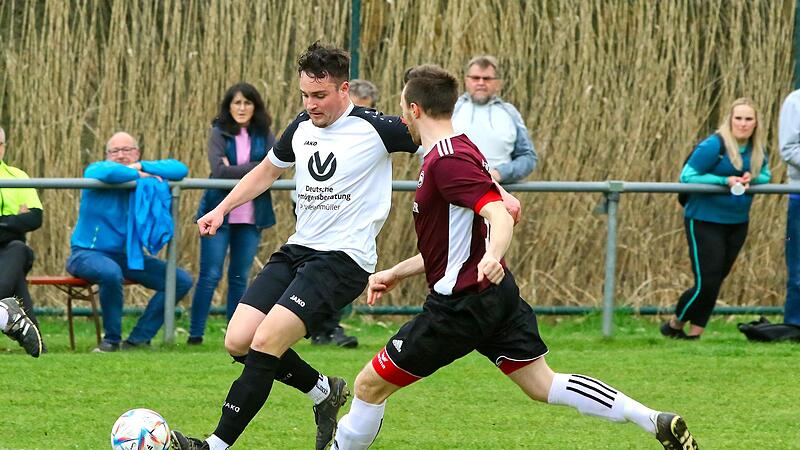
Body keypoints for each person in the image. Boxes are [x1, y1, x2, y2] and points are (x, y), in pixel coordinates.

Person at [331, 65, 698, 450]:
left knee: (368, 386)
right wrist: (397, 272)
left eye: (402, 108)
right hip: (494, 295)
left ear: (414, 109)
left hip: (459, 308)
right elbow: (463, 238)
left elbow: (500, 214)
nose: (401, 117)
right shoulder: (464, 148)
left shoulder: (446, 162)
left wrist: (493, 254)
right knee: (544, 384)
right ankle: (653, 419)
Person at [169, 42, 421, 450]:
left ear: (344, 89)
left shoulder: (376, 127)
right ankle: (323, 391)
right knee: (238, 340)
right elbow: (266, 172)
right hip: (298, 249)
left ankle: (214, 444)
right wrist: (221, 208)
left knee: (266, 341)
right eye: (304, 95)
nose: (310, 104)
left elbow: (439, 141)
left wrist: (488, 188)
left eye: (319, 95)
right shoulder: (301, 126)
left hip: (343, 259)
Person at [65, 131, 193, 352]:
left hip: (127, 257)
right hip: (86, 254)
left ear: (137, 153)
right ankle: (111, 340)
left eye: (127, 150)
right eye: (115, 151)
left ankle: (138, 339)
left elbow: (180, 169)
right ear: (107, 155)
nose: (121, 155)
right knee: (110, 272)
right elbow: (108, 172)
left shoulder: (140, 173)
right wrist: (139, 174)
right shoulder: (97, 171)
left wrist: (141, 167)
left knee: (180, 280)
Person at [662, 97, 771, 340]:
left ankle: (695, 334)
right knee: (706, 281)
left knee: (717, 279)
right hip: (704, 220)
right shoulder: (713, 145)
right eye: (738, 118)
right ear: (730, 120)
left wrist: (750, 178)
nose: (743, 124)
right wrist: (724, 181)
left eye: (748, 119)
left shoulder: (757, 149)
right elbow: (687, 176)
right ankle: (674, 325)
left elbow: (766, 174)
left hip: (737, 221)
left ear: (756, 123)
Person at [189, 83, 277, 345]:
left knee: (239, 278)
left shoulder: (264, 133)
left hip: (251, 217)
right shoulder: (219, 133)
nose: (241, 108)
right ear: (228, 106)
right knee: (210, 275)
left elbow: (275, 167)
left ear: (255, 106)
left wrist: (243, 169)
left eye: (247, 103)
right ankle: (195, 334)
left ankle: (234, 335)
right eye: (236, 103)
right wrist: (258, 168)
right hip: (219, 214)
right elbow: (219, 171)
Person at [310, 78, 382, 349]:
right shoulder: (320, 126)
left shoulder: (373, 133)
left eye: (368, 109)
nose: (361, 115)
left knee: (339, 268)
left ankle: (327, 327)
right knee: (320, 269)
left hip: (351, 210)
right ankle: (321, 327)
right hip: (319, 207)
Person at [451, 55, 537, 184]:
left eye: (487, 79)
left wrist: (500, 173)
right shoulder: (450, 110)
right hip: (454, 192)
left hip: (498, 193)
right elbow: (431, 151)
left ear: (498, 83)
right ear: (466, 81)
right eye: (475, 78)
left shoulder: (510, 114)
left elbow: (528, 157)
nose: (481, 83)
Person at [0, 126, 44, 336]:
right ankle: (35, 339)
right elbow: (23, 222)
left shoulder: (18, 176)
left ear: (4, 147)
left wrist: (3, 223)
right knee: (15, 273)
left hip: (12, 248)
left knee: (18, 249)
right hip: (12, 251)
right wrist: (14, 222)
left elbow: (35, 219)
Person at [779, 89, 800, 326]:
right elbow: (789, 149)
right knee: (799, 267)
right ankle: (795, 324)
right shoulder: (796, 101)